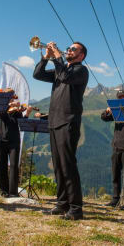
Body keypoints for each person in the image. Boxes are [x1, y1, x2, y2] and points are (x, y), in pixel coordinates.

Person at [33, 41, 88, 220]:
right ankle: (62, 202)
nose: (69, 50)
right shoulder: (61, 68)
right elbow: (37, 74)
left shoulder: (80, 70)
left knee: (68, 165)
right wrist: (46, 57)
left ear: (81, 56)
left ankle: (75, 208)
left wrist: (57, 56)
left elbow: (65, 76)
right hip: (54, 122)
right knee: (58, 166)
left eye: (73, 49)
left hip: (68, 122)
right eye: (69, 48)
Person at [101, 89, 124, 208]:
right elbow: (103, 118)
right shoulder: (116, 112)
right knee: (115, 175)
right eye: (119, 97)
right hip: (116, 146)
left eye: (123, 97)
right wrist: (107, 111)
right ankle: (115, 199)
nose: (121, 99)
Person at [0, 101, 33, 198]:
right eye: (11, 100)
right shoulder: (2, 109)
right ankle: (3, 190)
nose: (14, 102)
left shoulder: (18, 112)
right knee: (1, 166)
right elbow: (3, 117)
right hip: (1, 139)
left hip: (14, 140)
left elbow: (21, 124)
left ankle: (13, 191)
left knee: (14, 166)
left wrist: (27, 113)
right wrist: (10, 106)